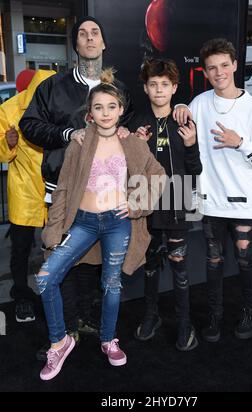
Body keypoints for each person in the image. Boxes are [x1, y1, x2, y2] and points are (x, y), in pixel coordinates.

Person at [35, 71, 165, 381]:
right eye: (98, 107)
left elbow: (158, 175)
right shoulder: (79, 143)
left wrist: (136, 205)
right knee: (44, 279)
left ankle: (108, 339)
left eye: (111, 107)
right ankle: (60, 342)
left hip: (117, 223)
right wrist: (53, 232)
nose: (105, 113)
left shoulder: (131, 142)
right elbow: (64, 189)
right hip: (83, 222)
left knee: (111, 283)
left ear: (121, 110)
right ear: (89, 113)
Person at [19, 16, 134, 358]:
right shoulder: (52, 87)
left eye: (94, 32)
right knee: (58, 258)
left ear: (103, 43)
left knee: (93, 263)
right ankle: (63, 330)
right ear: (76, 45)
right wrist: (68, 134)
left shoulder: (119, 91)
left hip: (105, 197)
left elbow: (131, 132)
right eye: (82, 34)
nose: (88, 38)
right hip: (62, 190)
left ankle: (85, 320)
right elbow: (29, 125)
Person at [173, 38, 252, 342]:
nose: (219, 73)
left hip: (244, 203)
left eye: (224, 66)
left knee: (245, 259)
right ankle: (215, 316)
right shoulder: (199, 104)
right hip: (211, 202)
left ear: (234, 65)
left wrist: (239, 142)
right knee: (213, 262)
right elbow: (182, 128)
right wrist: (178, 105)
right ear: (205, 71)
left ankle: (248, 311)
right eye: (212, 68)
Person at [129, 59, 202, 351]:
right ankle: (151, 315)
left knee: (180, 265)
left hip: (180, 196)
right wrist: (137, 146)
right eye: (153, 84)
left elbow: (195, 169)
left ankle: (184, 322)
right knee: (149, 266)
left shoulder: (185, 120)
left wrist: (191, 143)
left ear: (174, 88)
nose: (159, 90)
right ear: (146, 88)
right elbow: (129, 170)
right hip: (145, 199)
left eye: (165, 85)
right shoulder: (136, 123)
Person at [0, 69, 55, 322]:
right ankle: (21, 296)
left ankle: (57, 295)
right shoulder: (9, 109)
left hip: (56, 191)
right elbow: (3, 155)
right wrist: (8, 144)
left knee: (58, 248)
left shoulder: (61, 105)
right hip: (24, 190)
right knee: (20, 249)